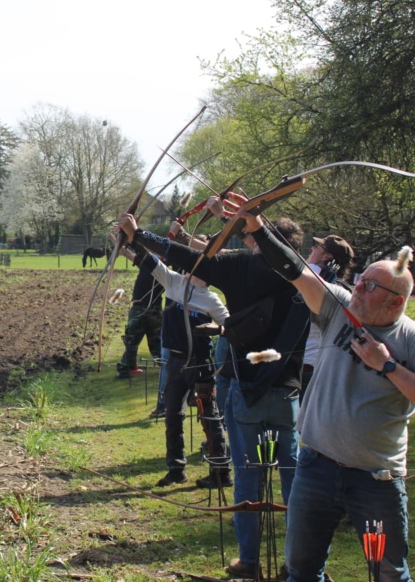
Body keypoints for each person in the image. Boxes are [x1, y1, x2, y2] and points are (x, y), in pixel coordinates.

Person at [238, 209, 415, 582]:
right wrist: (258, 227)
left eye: (370, 286)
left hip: (376, 479)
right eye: (361, 279)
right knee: (302, 570)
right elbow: (295, 270)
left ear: (396, 302)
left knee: (388, 573)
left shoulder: (413, 339)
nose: (358, 288)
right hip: (315, 467)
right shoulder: (337, 308)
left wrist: (386, 365)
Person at [119, 207, 310, 580]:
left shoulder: (242, 267)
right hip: (286, 392)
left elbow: (188, 256)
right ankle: (299, 565)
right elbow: (182, 262)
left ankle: (250, 562)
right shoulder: (303, 275)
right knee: (293, 480)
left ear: (260, 242)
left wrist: (140, 234)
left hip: (247, 391)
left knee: (249, 478)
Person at [123, 244, 231, 489]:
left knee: (209, 417)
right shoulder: (174, 282)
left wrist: (217, 329)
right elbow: (149, 260)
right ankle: (176, 469)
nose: (187, 269)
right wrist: (133, 236)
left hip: (200, 364)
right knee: (173, 416)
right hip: (175, 363)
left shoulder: (211, 300)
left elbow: (232, 327)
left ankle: (221, 472)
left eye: (194, 266)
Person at [301, 235, 355, 398]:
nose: (312, 248)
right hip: (317, 366)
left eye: (318, 246)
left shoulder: (308, 277)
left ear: (326, 257)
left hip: (304, 367)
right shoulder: (343, 290)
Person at [114, 251, 163, 379]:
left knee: (133, 340)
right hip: (153, 310)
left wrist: (117, 243)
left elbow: (127, 253)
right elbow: (127, 254)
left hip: (142, 310)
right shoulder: (154, 267)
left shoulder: (156, 267)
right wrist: (117, 242)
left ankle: (126, 368)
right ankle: (167, 368)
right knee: (154, 342)